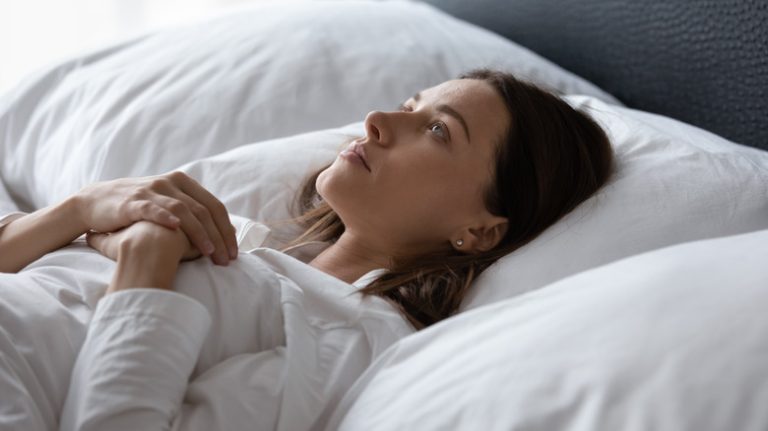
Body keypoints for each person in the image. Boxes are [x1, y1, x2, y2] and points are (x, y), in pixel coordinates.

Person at [0, 69, 612, 430]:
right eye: (409, 107)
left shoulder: (352, 336)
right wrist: (75, 211)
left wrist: (145, 264)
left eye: (436, 130)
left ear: (480, 231)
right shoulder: (233, 235)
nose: (375, 120)